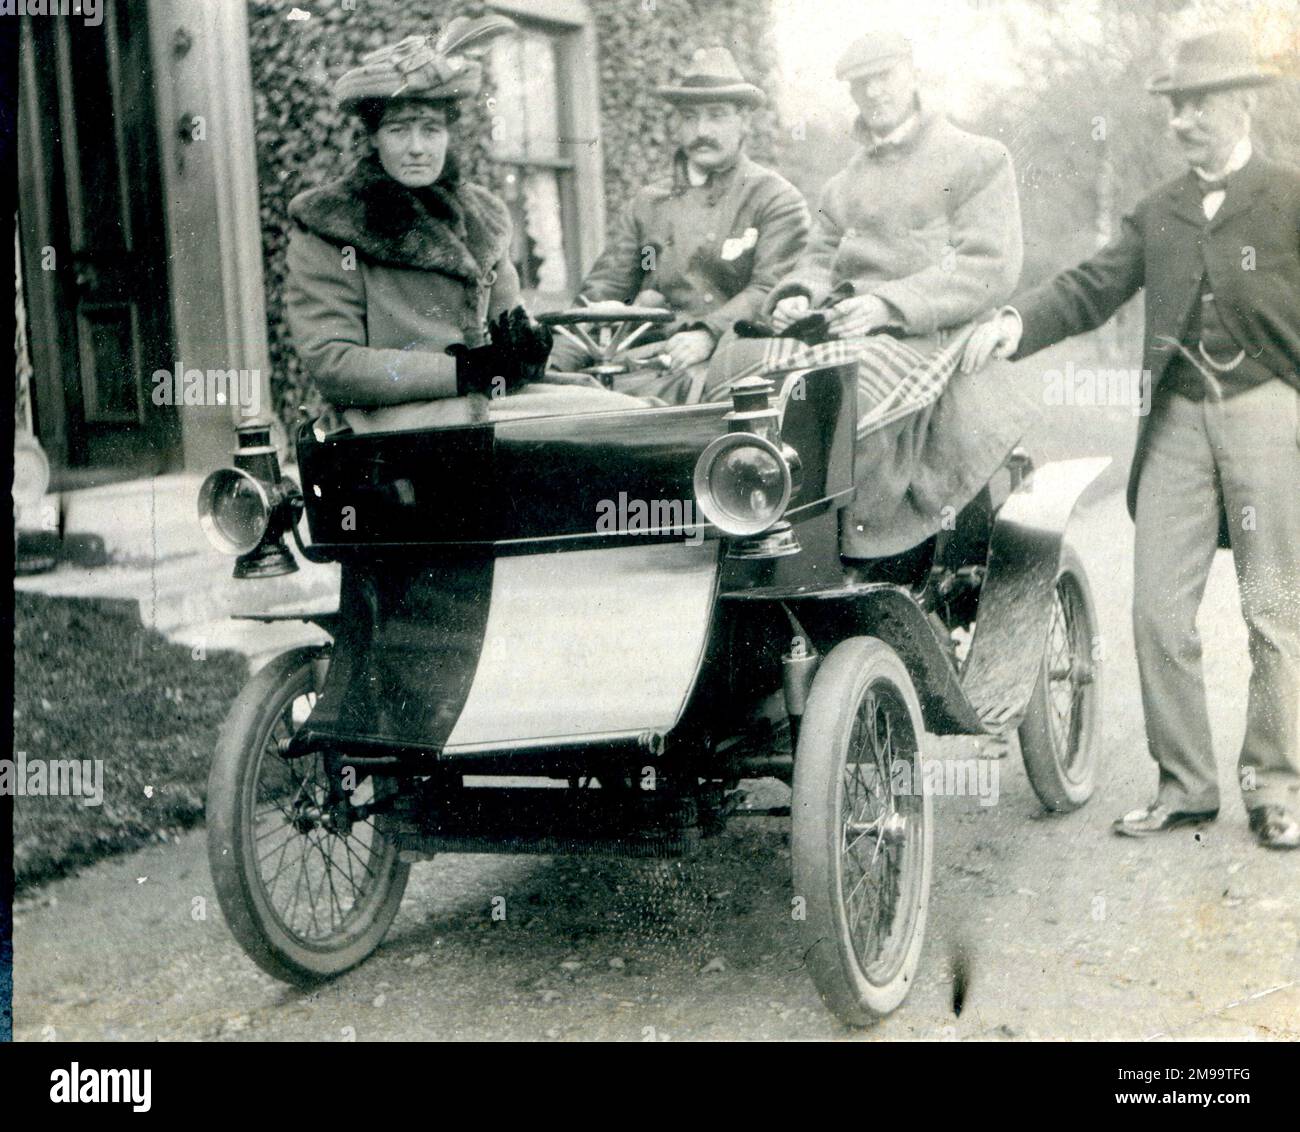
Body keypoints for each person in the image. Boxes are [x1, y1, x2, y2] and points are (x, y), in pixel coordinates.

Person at [962, 28, 1300, 849]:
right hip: (1177, 422)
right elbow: (1092, 287)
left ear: (1244, 101)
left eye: (1199, 105)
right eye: (1175, 107)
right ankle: (1185, 787)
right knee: (1156, 614)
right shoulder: (1160, 210)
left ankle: (1276, 789)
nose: (1183, 122)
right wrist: (1016, 320)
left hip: (1269, 409)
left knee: (1273, 611)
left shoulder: (1289, 196)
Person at [706, 30, 1025, 561]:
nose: (874, 92)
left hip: (929, 326)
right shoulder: (844, 183)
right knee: (739, 363)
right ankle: (746, 523)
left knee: (844, 391)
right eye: (861, 84)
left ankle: (851, 547)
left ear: (912, 74)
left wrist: (887, 306)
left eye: (885, 77)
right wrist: (799, 296)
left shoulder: (977, 159)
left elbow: (988, 266)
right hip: (842, 322)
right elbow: (818, 256)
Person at [286, 17, 641, 434]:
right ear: (374, 138)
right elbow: (335, 365)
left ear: (448, 135)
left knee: (638, 413)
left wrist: (525, 350)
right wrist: (463, 372)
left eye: (431, 129)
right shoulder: (332, 222)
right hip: (385, 421)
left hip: (481, 402)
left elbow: (510, 323)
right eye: (399, 129)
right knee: (599, 429)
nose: (417, 147)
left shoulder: (481, 215)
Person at [547, 47, 810, 403]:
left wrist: (707, 334)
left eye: (716, 116)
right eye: (689, 117)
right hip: (648, 360)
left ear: (744, 120)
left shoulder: (774, 198)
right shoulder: (649, 203)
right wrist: (554, 361)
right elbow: (606, 292)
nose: (701, 131)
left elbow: (768, 289)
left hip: (731, 359)